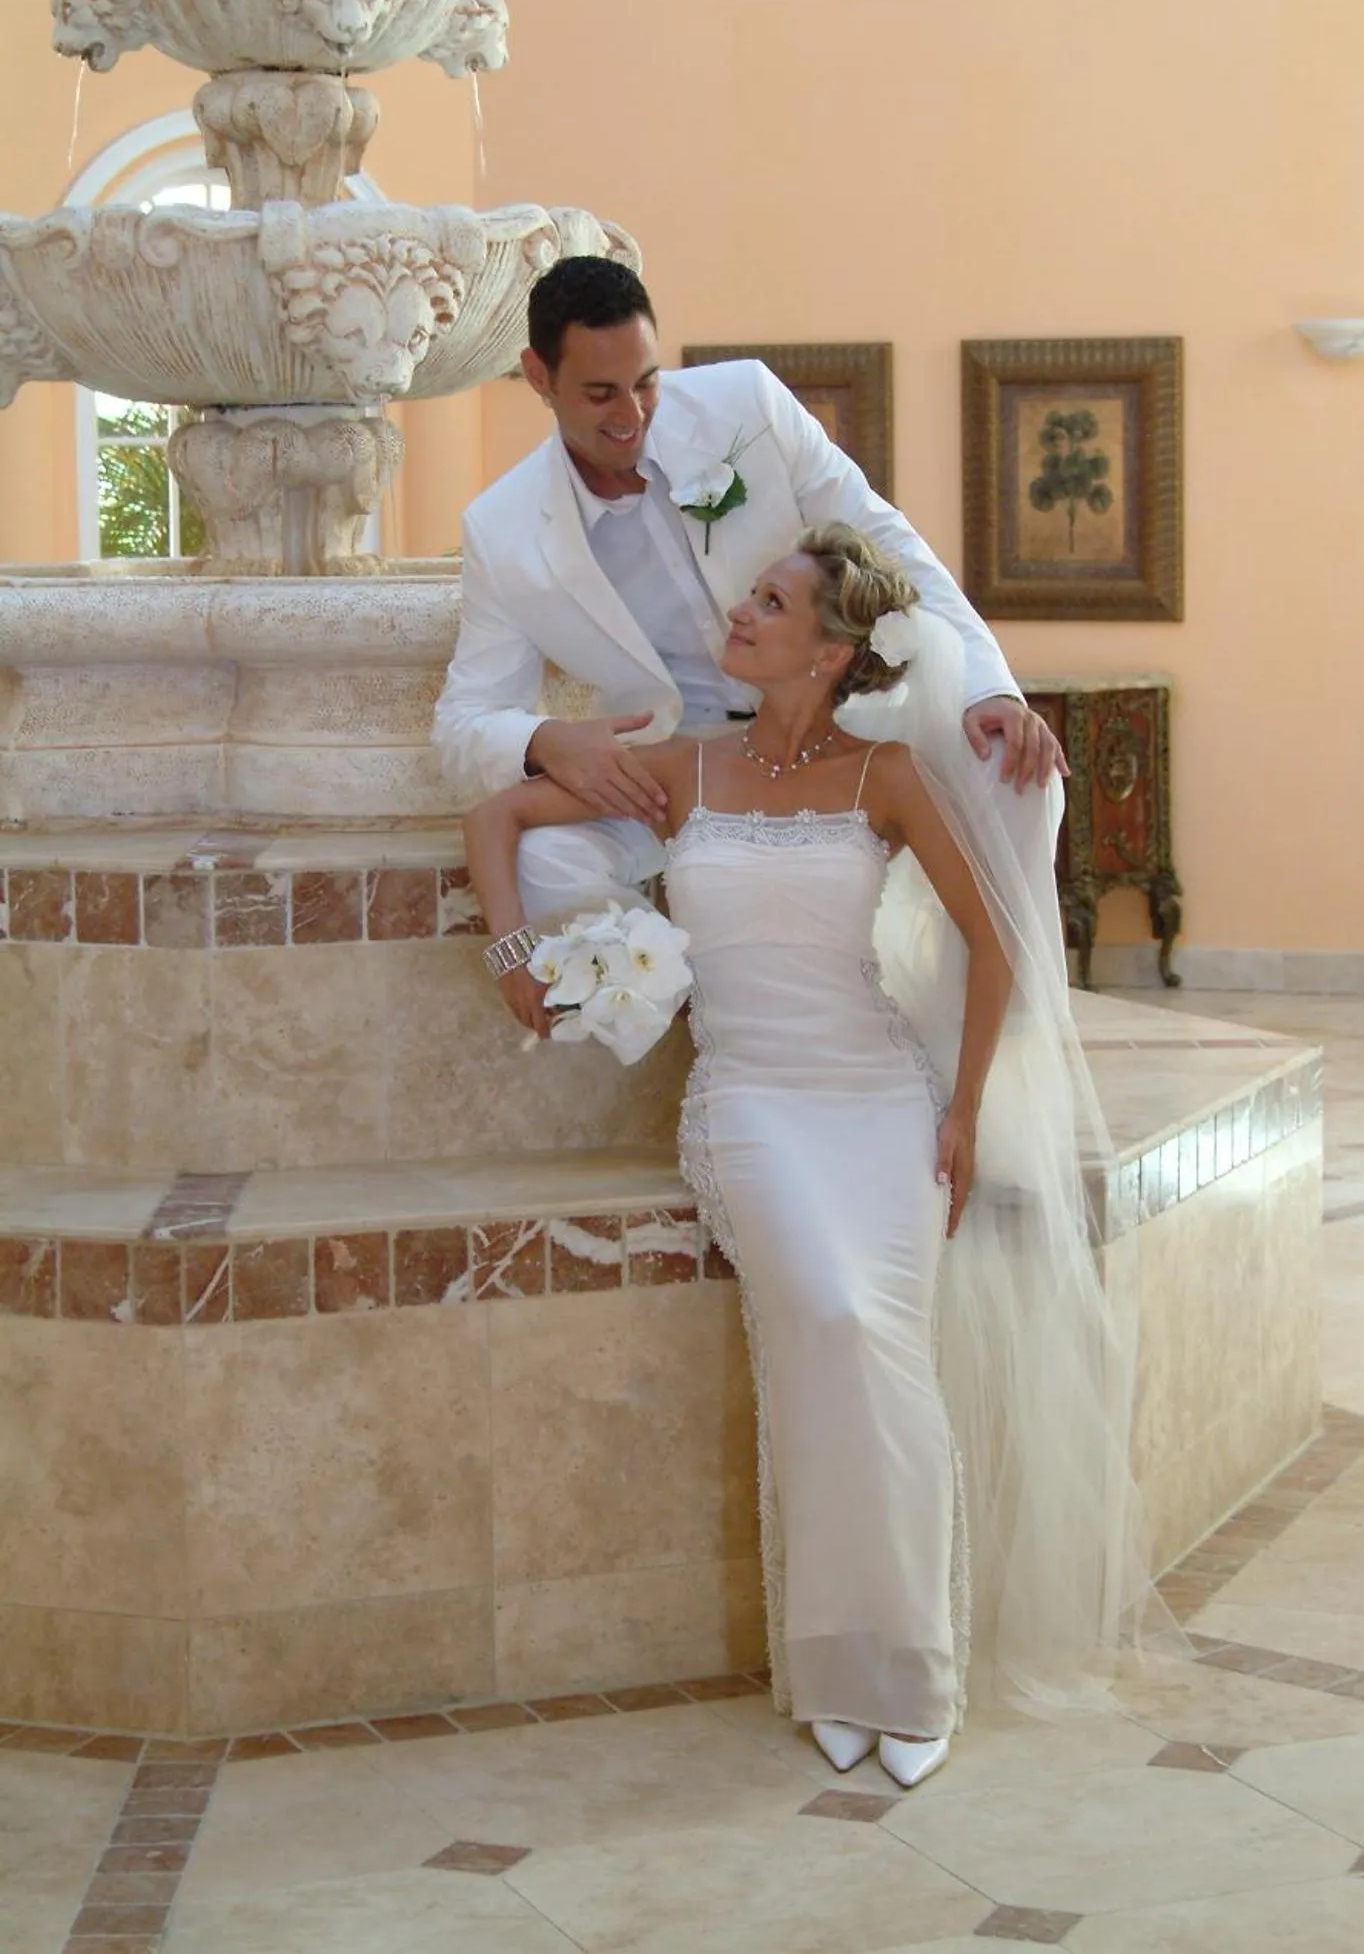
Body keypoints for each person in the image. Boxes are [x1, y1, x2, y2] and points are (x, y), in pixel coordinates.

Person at [463, 525, 1159, 1790]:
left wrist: (958, 1109)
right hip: (756, 1103)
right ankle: (842, 1665)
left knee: (884, 1360)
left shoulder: (885, 777)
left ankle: (913, 1676)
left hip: (880, 1100)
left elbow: (998, 941)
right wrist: (515, 959)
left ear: (832, 650)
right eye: (750, 594)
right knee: (830, 1330)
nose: (743, 611)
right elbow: (501, 812)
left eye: (771, 602)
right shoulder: (682, 767)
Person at [431, 253, 1066, 938]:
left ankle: (999, 1022)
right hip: (679, 766)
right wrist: (544, 740)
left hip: (840, 723)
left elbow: (889, 543)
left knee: (1012, 769)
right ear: (538, 377)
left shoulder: (749, 404)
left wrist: (986, 688)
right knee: (547, 859)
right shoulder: (502, 529)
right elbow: (464, 719)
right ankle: (689, 1015)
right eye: (600, 393)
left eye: (646, 382)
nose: (631, 413)